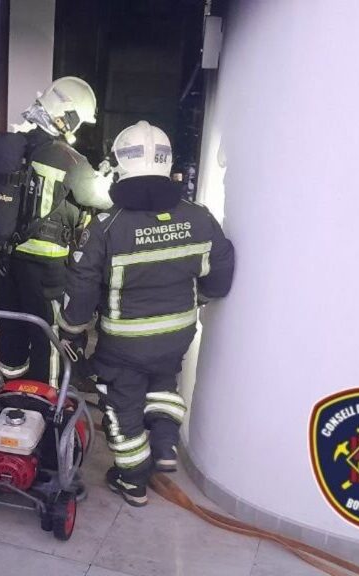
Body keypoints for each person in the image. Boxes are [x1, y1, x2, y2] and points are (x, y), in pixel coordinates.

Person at [59, 121, 235, 506]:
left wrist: (71, 329)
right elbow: (221, 271)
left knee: (122, 406)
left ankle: (133, 480)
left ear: (121, 164)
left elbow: (83, 285)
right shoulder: (200, 217)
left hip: (124, 343)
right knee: (163, 385)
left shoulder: (108, 227)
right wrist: (199, 297)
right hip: (177, 334)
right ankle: (166, 446)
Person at [0, 76, 112, 388]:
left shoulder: (12, 144)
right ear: (67, 117)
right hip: (45, 268)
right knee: (48, 333)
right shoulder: (66, 157)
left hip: (6, 259)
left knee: (12, 328)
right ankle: (43, 400)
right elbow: (104, 198)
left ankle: (10, 389)